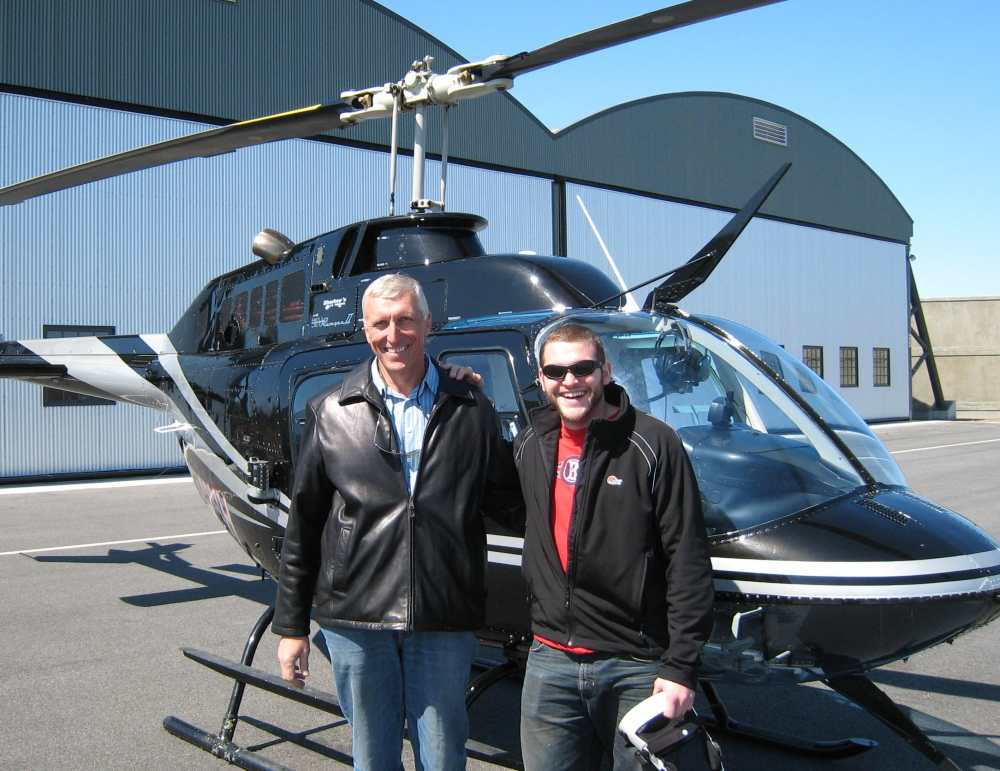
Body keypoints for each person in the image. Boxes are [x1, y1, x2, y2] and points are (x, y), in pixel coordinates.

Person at [272, 273, 522, 771]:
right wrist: (292, 626)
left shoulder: (472, 408)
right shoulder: (331, 411)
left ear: (428, 324)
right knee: (373, 753)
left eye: (406, 320)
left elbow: (509, 502)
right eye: (381, 323)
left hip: (444, 613)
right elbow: (304, 526)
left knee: (445, 752)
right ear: (365, 331)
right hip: (356, 615)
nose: (394, 334)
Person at [513, 322, 715, 771]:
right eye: (556, 371)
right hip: (550, 659)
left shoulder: (653, 442)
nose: (570, 381)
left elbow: (687, 557)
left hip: (635, 662)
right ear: (542, 378)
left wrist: (681, 665)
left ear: (604, 371)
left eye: (583, 368)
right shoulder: (530, 441)